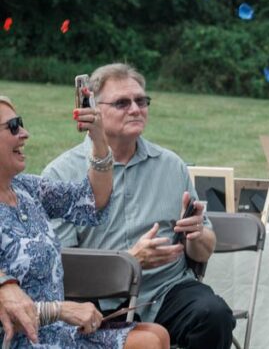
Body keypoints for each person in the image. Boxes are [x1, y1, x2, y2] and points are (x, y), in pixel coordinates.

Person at [42, 65, 234, 349]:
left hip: (164, 289)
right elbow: (64, 268)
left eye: (141, 101)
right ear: (93, 108)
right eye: (122, 102)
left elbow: (202, 251)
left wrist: (198, 236)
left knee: (214, 314)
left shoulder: (171, 166)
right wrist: (129, 261)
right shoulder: (61, 174)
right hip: (97, 298)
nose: (135, 109)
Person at [0, 92, 169, 348]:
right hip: (18, 340)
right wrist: (60, 309)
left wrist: (99, 139)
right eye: (13, 127)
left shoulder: (25, 189)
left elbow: (91, 200)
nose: (24, 133)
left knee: (154, 337)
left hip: (57, 332)